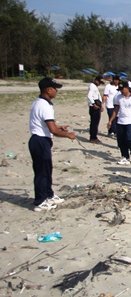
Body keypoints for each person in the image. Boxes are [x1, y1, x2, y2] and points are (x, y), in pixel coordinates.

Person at [29, 78, 76, 212]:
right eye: (55, 88)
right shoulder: (44, 105)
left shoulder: (40, 103)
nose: (56, 91)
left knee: (47, 170)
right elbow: (52, 130)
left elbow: (49, 125)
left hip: (41, 139)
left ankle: (48, 194)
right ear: (48, 89)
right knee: (41, 172)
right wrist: (68, 135)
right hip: (40, 140)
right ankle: (40, 201)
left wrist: (59, 127)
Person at [107, 81, 131, 165]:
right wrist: (110, 121)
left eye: (122, 89)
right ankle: (125, 157)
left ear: (127, 88)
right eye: (120, 89)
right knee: (121, 140)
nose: (121, 91)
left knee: (129, 138)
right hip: (120, 121)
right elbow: (116, 110)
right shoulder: (118, 97)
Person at [87, 75, 104, 143]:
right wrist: (94, 104)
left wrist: (101, 105)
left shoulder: (94, 86)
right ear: (96, 80)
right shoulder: (92, 86)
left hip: (97, 105)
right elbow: (89, 95)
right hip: (94, 106)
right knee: (94, 123)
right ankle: (93, 137)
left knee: (95, 122)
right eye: (99, 82)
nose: (99, 84)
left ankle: (94, 136)